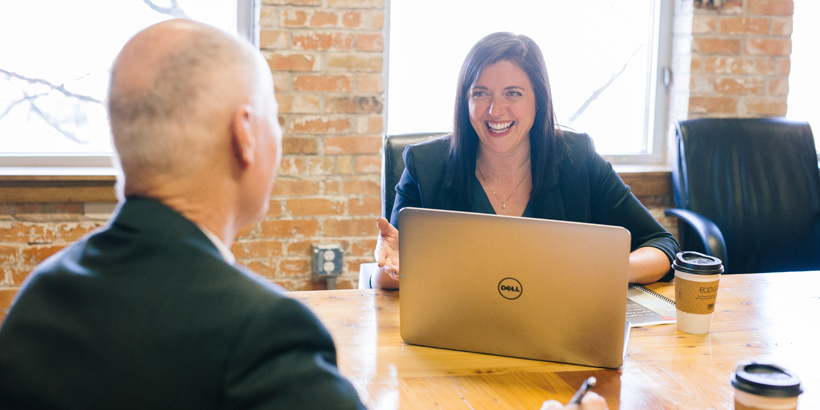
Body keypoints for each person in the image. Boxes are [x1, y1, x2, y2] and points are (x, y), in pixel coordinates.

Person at [0, 20, 365, 409]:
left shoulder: (38, 297)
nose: (279, 134)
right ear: (245, 135)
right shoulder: (262, 332)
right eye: (273, 116)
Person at [373, 32, 680, 290]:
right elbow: (386, 276)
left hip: (560, 337)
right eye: (480, 94)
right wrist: (392, 267)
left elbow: (662, 244)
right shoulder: (425, 166)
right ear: (465, 101)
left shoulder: (578, 159)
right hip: (455, 341)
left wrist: (610, 270)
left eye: (513, 94)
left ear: (539, 100)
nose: (495, 110)